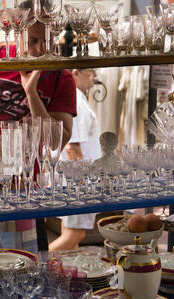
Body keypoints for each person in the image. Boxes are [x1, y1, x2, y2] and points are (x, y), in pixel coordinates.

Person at [0, 0, 77, 253]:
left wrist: (31, 93)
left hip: (27, 189)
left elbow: (57, 142)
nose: (42, 48)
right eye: (34, 40)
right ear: (18, 30)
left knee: (26, 268)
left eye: (48, 39)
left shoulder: (61, 77)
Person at [51, 68, 101, 252]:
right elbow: (72, 146)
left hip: (73, 180)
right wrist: (83, 183)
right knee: (74, 235)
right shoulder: (76, 101)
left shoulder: (77, 98)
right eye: (90, 70)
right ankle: (34, 266)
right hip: (77, 181)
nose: (94, 75)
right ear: (75, 73)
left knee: (71, 239)